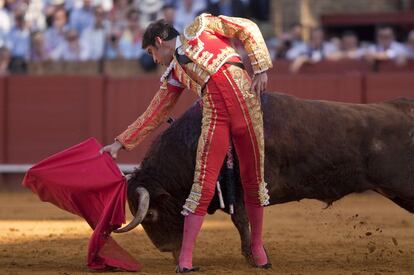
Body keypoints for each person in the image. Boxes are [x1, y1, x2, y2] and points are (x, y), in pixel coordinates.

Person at [101, 13, 272, 272]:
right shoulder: (174, 74)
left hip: (248, 108)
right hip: (216, 115)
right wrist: (119, 143)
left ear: (160, 41)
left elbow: (247, 27)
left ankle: (257, 247)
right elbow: (155, 112)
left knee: (253, 181)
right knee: (202, 184)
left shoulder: (202, 26)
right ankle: (185, 261)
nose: (155, 60)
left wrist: (260, 66)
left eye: (151, 52)